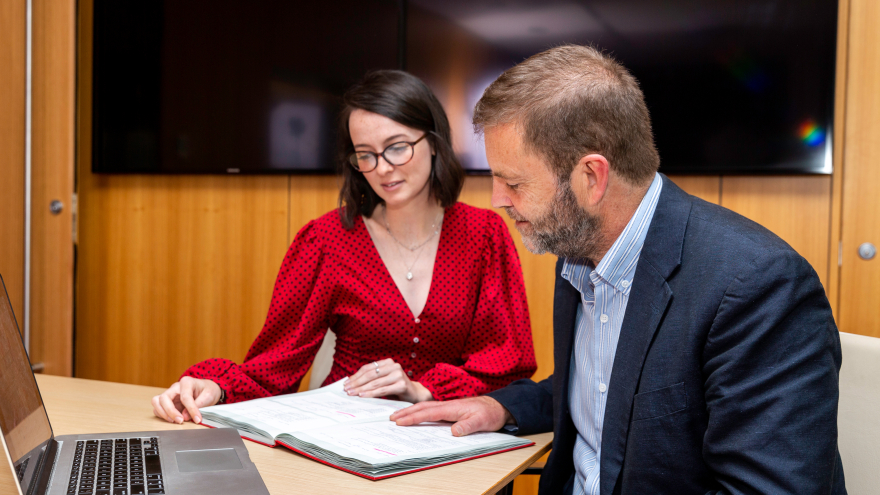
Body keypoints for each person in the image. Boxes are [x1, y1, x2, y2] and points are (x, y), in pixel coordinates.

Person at [390, 45, 845, 494]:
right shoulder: (578, 245)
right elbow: (604, 390)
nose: (497, 200)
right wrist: (500, 407)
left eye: (514, 182)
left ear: (592, 177)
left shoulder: (759, 286)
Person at [151, 70, 537, 425]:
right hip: (343, 429)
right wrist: (214, 387)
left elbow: (508, 363)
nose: (382, 168)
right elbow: (275, 365)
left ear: (434, 143)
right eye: (365, 155)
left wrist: (424, 390)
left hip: (448, 434)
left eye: (397, 147)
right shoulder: (324, 240)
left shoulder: (483, 235)